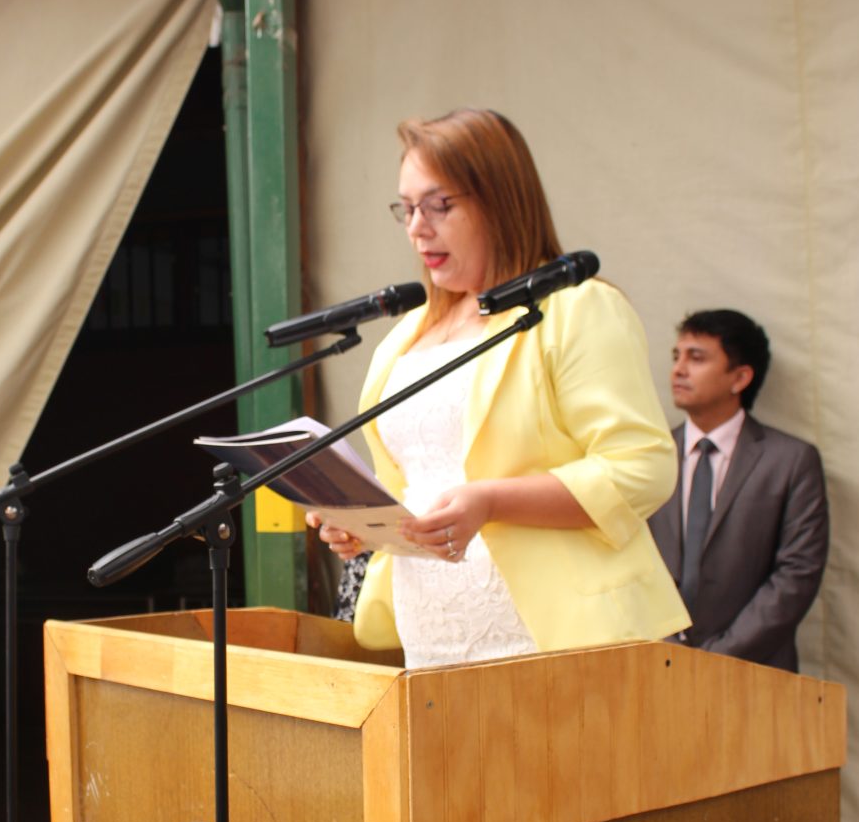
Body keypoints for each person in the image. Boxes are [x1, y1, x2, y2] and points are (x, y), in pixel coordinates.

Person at [308, 108, 687, 668]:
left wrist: (490, 501)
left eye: (439, 205)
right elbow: (419, 485)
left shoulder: (576, 309)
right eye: (407, 208)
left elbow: (643, 467)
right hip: (430, 637)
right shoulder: (406, 338)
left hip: (551, 641)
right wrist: (367, 527)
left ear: (499, 199)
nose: (418, 227)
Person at [648, 310, 828, 672]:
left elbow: (797, 573)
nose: (678, 369)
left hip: (757, 674)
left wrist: (719, 657)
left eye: (696, 357)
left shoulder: (791, 461)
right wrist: (667, 649)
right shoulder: (648, 457)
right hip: (656, 667)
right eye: (676, 356)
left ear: (740, 377)